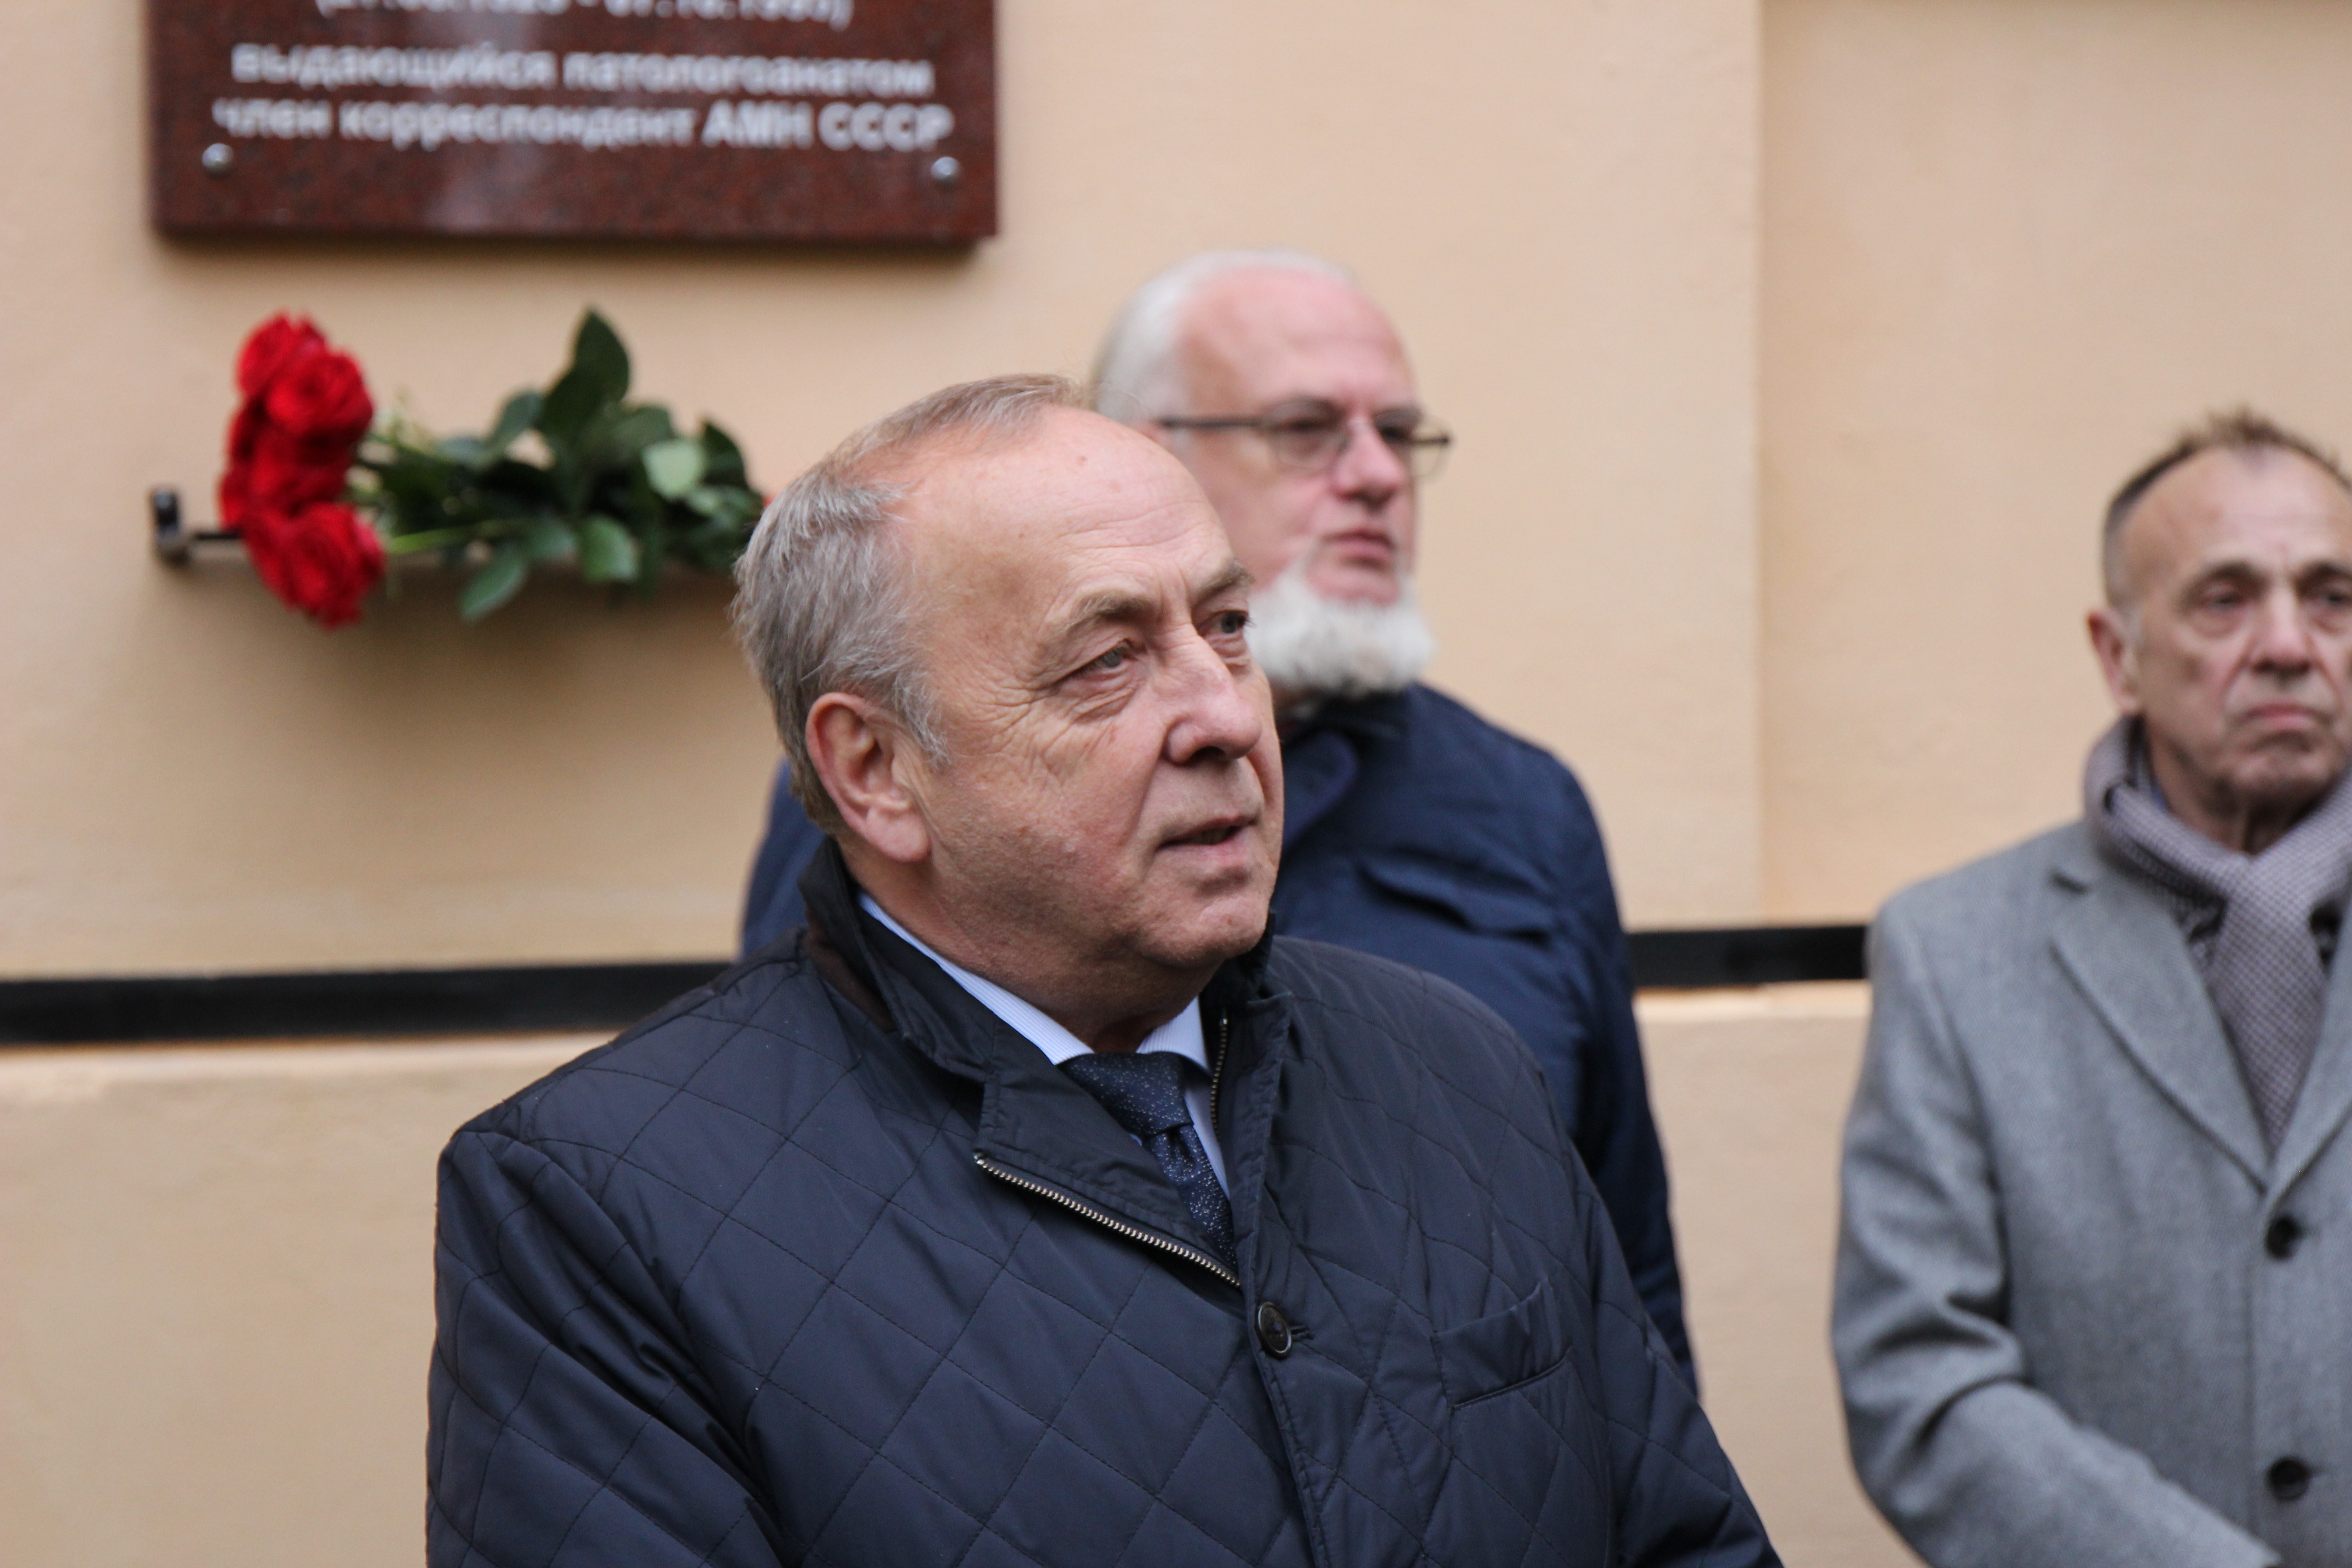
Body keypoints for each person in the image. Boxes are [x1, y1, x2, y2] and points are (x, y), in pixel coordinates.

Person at [428, 376, 1774, 1568]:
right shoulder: (601, 1206)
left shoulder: (1455, 1065)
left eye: (1228, 625)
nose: (1224, 714)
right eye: (1109, 659)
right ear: (877, 770)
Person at [740, 250, 1693, 1376]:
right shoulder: (921, 787)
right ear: (1140, 453)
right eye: (1306, 430)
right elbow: (793, 1160)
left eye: (1398, 432)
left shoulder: (1521, 805)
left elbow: (1621, 1281)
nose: (1377, 476)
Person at [1835, 410, 2352, 1568]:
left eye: (2332, 598)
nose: (2288, 643)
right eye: (2225, 599)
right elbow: (1920, 1379)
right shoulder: (1955, 951)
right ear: (2118, 655)